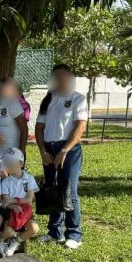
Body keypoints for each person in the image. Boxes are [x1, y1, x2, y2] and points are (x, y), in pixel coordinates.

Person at [36, 64, 89, 249]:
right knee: (52, 188)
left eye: (63, 76)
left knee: (69, 190)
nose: (60, 79)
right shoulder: (48, 99)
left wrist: (64, 151)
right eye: (56, 76)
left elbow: (80, 127)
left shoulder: (78, 99)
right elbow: (39, 128)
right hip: (49, 149)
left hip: (69, 150)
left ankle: (74, 234)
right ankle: (54, 232)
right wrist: (43, 151)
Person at [0, 147, 39, 256]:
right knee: (9, 231)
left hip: (25, 212)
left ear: (20, 163)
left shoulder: (29, 179)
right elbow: (5, 202)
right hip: (10, 212)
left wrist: (12, 201)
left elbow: (29, 200)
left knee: (34, 228)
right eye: (5, 163)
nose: (7, 165)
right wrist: (13, 205)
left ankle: (16, 241)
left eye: (10, 162)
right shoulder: (6, 182)